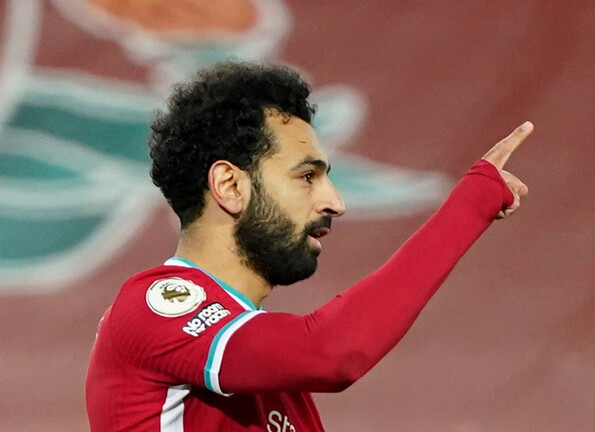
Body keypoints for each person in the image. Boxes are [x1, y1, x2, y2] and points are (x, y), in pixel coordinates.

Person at [85, 61, 533, 431]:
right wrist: (471, 203)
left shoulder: (278, 388)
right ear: (230, 186)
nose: (335, 202)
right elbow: (334, 352)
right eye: (306, 176)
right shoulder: (153, 306)